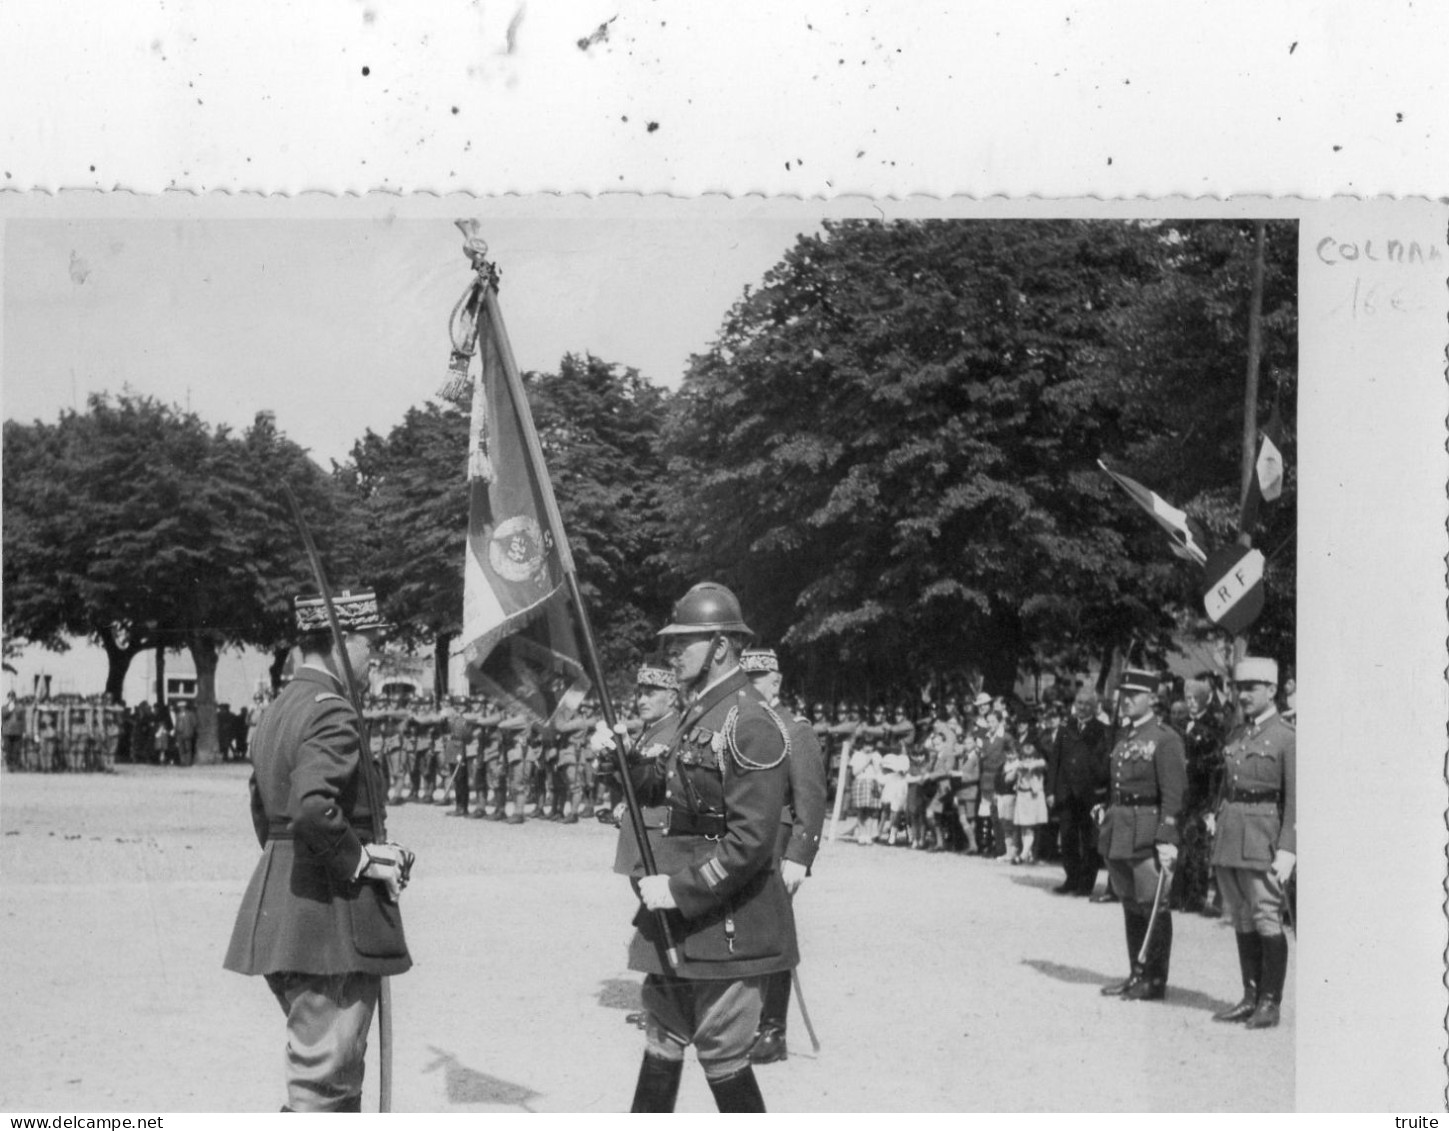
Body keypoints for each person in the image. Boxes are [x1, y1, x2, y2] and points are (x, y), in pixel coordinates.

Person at [223, 589, 413, 1112]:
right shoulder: (333, 711)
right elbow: (312, 807)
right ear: (341, 641)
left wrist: (303, 860)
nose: (372, 658)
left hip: (285, 907)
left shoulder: (281, 707)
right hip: (330, 920)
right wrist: (360, 860)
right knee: (325, 1083)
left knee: (326, 1073)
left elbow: (264, 810)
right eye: (368, 645)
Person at [619, 582, 795, 1113]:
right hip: (685, 918)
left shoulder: (750, 722)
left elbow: (751, 842)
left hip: (725, 920)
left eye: (684, 642)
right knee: (662, 1039)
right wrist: (624, 760)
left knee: (722, 1054)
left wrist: (677, 890)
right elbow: (665, 792)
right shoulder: (700, 713)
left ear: (720, 645)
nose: (672, 652)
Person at [739, 647, 826, 1066]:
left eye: (757, 683)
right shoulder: (741, 726)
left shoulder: (796, 730)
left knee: (773, 937)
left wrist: (800, 856)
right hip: (743, 846)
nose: (749, 692)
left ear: (776, 683)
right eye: (745, 683)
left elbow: (811, 798)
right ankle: (740, 1021)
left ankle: (773, 1031)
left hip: (778, 849)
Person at [1209, 657, 1296, 1029]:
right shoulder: (1237, 735)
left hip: (1263, 837)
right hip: (1231, 834)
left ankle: (1270, 1002)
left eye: (1251, 688)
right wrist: (1215, 814)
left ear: (1272, 690)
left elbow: (1296, 799)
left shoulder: (1287, 738)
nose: (1242, 695)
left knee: (1265, 915)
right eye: (1239, 688)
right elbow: (1226, 785)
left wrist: (1289, 848)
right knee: (1242, 915)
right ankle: (1250, 995)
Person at [1095, 668, 1187, 1002]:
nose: (1127, 698)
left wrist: (1167, 835)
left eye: (1135, 693)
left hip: (1147, 829)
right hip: (1120, 828)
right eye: (1124, 693)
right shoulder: (1124, 736)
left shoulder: (1165, 738)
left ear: (1152, 697)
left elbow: (1174, 792)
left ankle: (1154, 979)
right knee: (1130, 903)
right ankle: (1137, 972)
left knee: (1153, 905)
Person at [1045, 688, 1111, 895]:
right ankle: (1071, 878)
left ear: (1094, 706)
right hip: (1065, 793)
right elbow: (1055, 760)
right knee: (1067, 838)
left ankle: (1086, 884)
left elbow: (1103, 763)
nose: (1081, 707)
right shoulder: (1065, 728)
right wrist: (1050, 790)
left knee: (1089, 840)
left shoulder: (1102, 730)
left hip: (1089, 794)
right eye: (1079, 703)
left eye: (1086, 704)